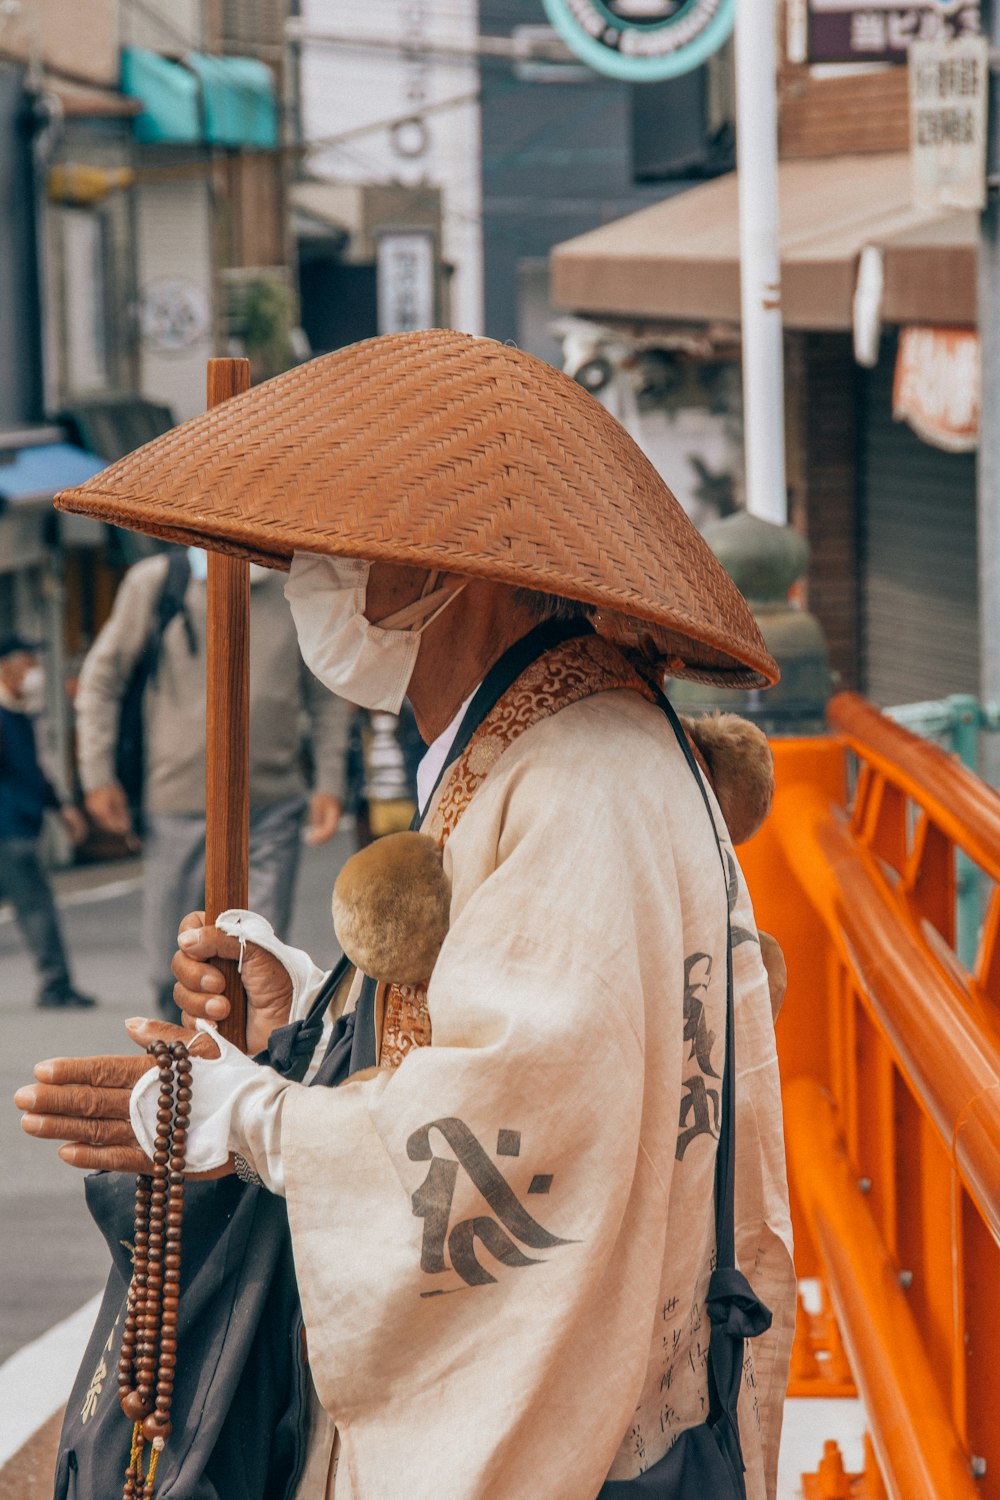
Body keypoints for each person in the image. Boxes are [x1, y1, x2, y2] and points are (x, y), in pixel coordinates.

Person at [17, 332, 795, 1499]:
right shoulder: (546, 737)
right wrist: (315, 1022)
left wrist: (261, 1120)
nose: (313, 573)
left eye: (340, 545)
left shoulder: (578, 774)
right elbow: (499, 1021)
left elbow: (527, 1108)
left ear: (448, 563)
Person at [74, 549, 350, 1017]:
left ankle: (244, 1070)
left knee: (258, 957)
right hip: (176, 799)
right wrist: (96, 774)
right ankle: (181, 1057)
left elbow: (326, 693)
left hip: (272, 799)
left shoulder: (298, 587)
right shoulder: (157, 582)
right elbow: (102, 678)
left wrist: (330, 781)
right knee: (172, 961)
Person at [0, 634, 95, 1008]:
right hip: (11, 829)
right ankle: (56, 983)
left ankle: (57, 981)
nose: (35, 671)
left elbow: (36, 771)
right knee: (36, 907)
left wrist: (62, 808)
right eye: (28, 662)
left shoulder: (18, 713)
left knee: (35, 906)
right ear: (6, 667)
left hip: (22, 825)